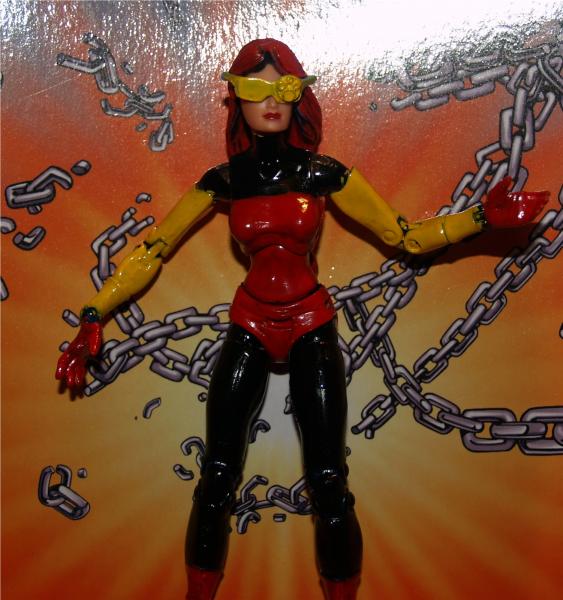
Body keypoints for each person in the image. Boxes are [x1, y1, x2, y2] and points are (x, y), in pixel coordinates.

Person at [56, 39, 548, 600]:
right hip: (251, 321)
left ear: (299, 96)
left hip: (311, 321)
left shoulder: (322, 174)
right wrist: (95, 312)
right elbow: (154, 248)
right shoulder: (224, 181)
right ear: (235, 98)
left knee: (329, 479)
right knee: (217, 475)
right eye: (256, 89)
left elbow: (405, 236)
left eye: (285, 88)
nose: (271, 102)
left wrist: (480, 217)